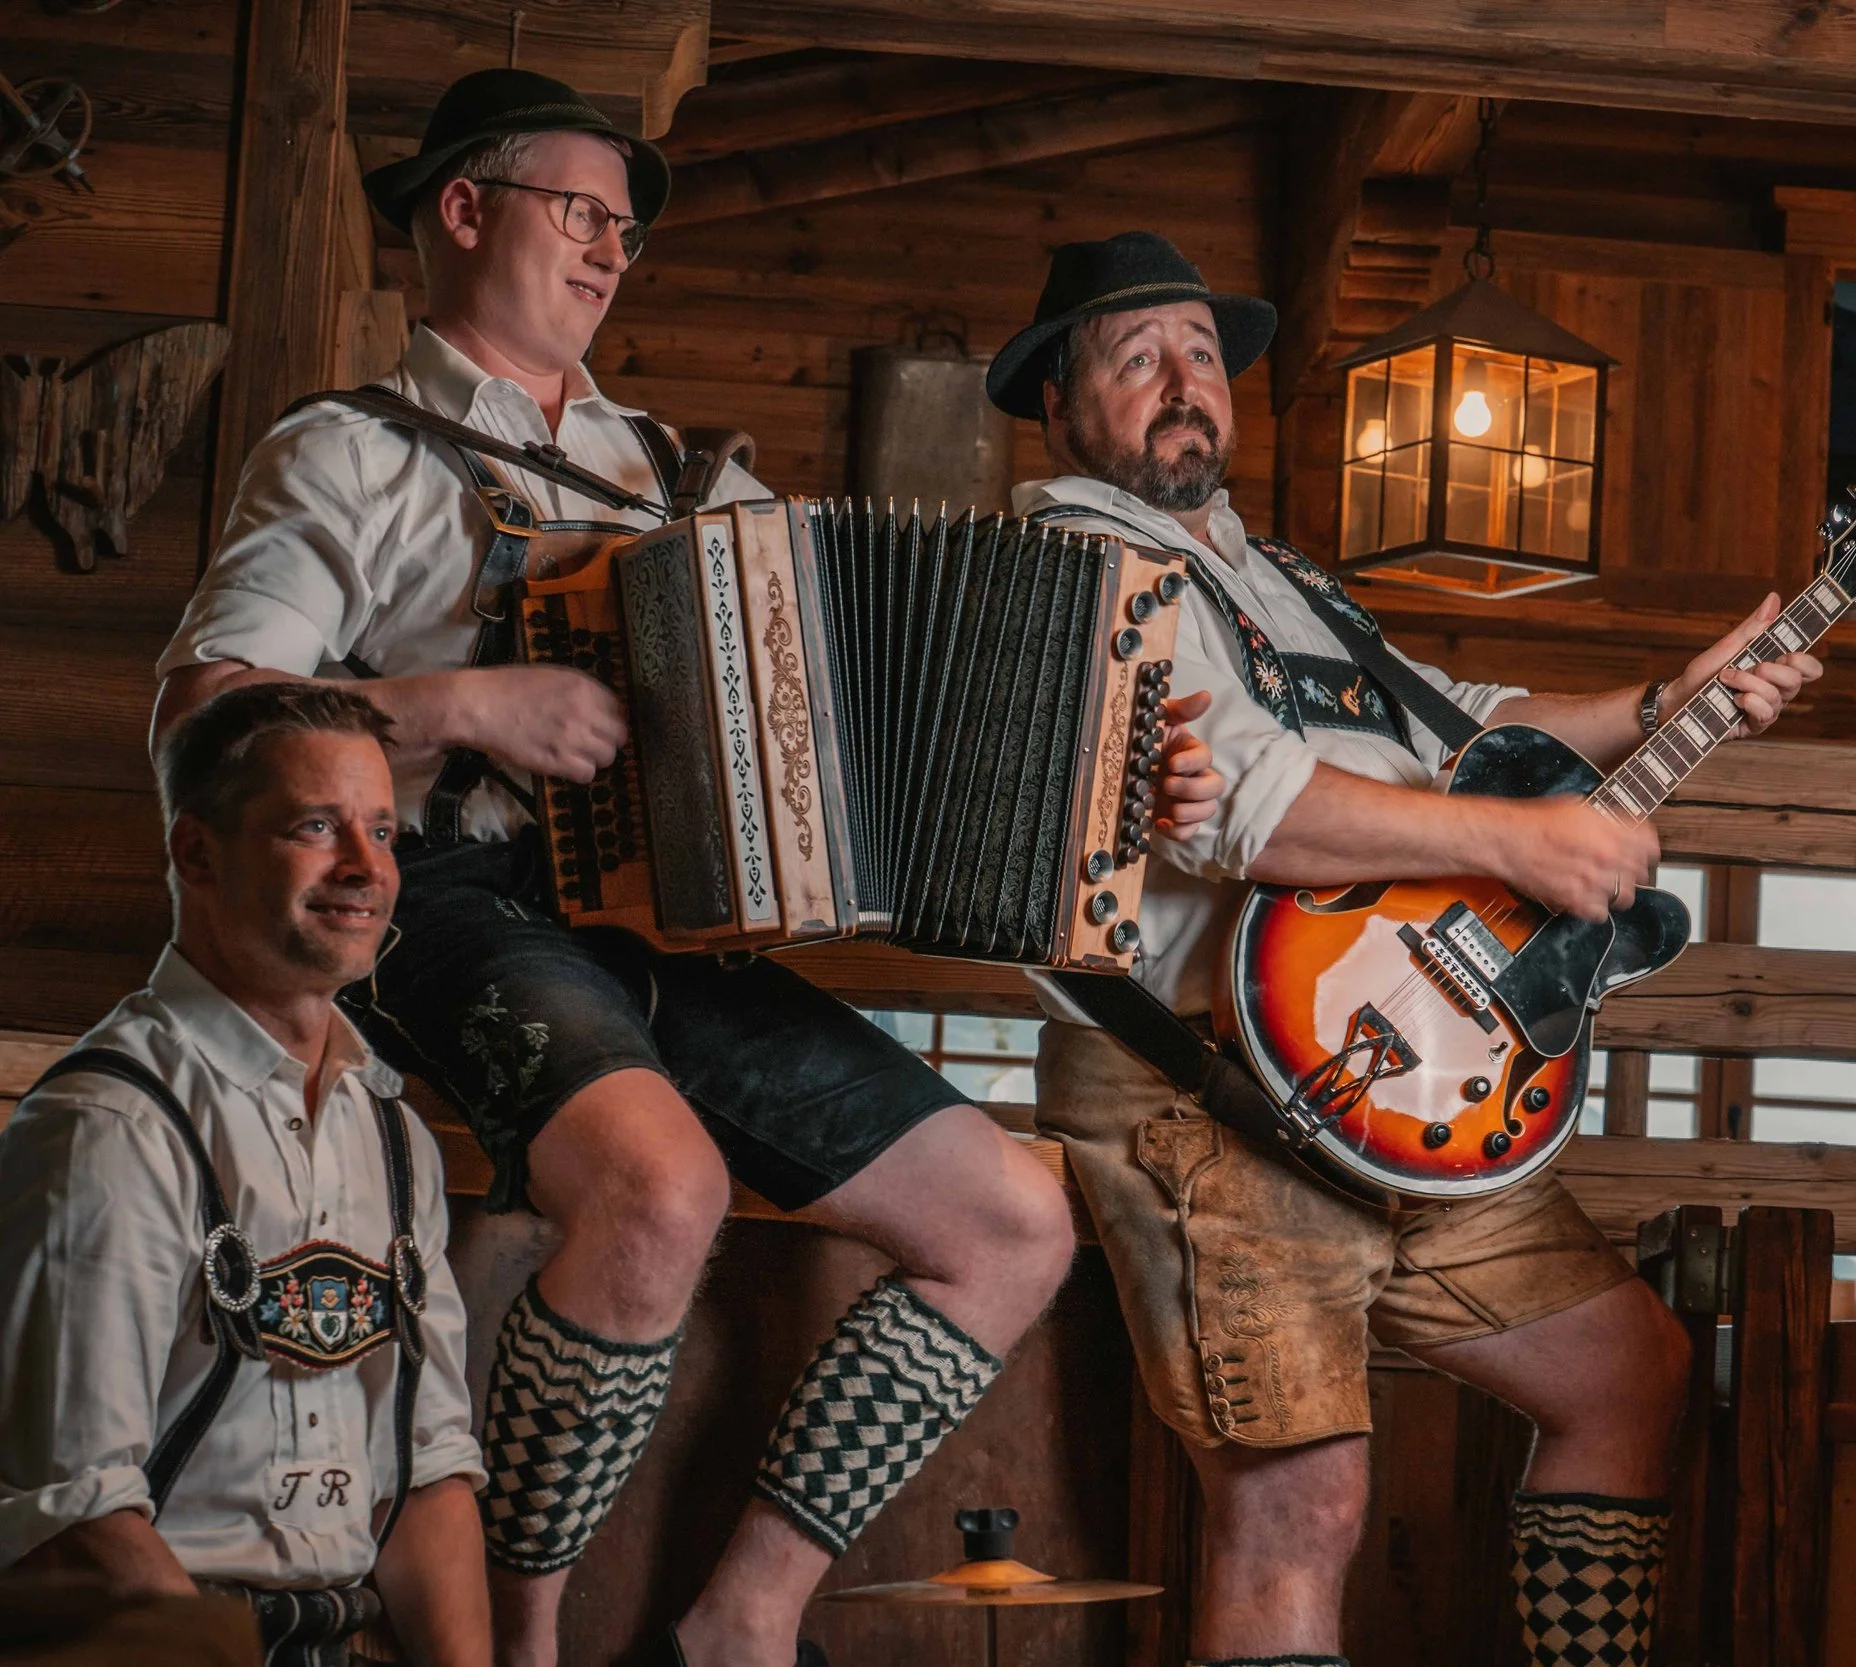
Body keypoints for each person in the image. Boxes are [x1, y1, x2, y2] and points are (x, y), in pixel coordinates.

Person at [151, 70, 1075, 1667]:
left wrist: (1072, 747)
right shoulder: (347, 452)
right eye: (583, 212)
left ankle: (741, 1621)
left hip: (671, 921)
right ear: (465, 208)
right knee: (661, 1188)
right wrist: (461, 705)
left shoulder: (675, 474)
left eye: (627, 233)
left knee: (1014, 1219)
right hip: (451, 898)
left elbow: (835, 680)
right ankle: (512, 1641)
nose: (609, 252)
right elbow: (205, 716)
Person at [990, 230, 1821, 1667]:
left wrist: (1667, 694)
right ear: (1059, 409)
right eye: (1137, 358)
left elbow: (1469, 727)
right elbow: (1244, 810)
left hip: (1399, 1082)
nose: (1185, 382)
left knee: (1627, 1370)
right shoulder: (1072, 561)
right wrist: (1520, 844)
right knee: (1299, 1498)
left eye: (1202, 351)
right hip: (1206, 1094)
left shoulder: (1278, 574)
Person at [0, 683, 488, 1666]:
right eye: (316, 826)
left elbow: (425, 1476)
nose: (366, 867)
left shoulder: (394, 1135)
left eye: (381, 831)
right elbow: (70, 1520)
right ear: (197, 852)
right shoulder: (110, 1128)